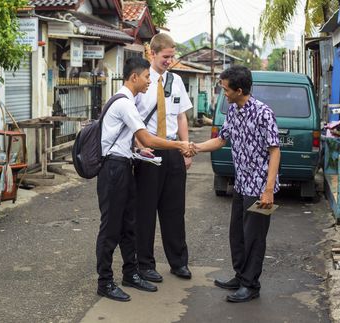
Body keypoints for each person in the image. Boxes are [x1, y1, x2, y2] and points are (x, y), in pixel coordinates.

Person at [96, 57, 193, 302]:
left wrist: (138, 151)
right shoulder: (125, 103)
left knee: (129, 225)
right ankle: (105, 282)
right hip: (114, 169)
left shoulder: (127, 100)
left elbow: (132, 140)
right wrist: (178, 144)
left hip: (126, 162)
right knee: (111, 229)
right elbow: (147, 138)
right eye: (147, 77)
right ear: (134, 77)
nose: (150, 80)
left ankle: (131, 273)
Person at [194, 65, 281, 302]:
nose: (223, 93)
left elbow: (275, 151)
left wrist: (269, 190)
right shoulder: (233, 111)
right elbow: (221, 139)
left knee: (254, 237)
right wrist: (195, 148)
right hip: (242, 185)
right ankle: (241, 275)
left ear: (239, 89)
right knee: (238, 234)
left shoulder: (264, 113)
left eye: (225, 89)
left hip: (261, 189)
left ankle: (251, 286)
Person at [134, 33, 194, 283]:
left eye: (172, 56)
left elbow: (181, 117)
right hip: (147, 151)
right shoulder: (141, 81)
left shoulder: (177, 81)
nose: (170, 61)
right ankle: (145, 264)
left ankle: (178, 262)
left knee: (174, 211)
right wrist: (138, 146)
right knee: (145, 211)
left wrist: (186, 148)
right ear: (153, 54)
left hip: (172, 150)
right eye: (166, 57)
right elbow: (132, 119)